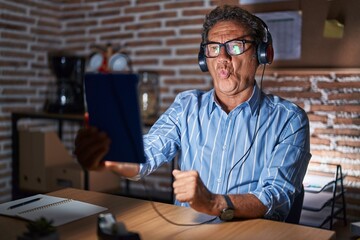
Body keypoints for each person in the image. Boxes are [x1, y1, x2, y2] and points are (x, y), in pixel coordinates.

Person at [74, 5, 311, 222]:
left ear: (261, 54)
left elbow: (276, 195)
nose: (222, 59)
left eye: (236, 46)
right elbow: (146, 153)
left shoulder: (289, 120)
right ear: (203, 58)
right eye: (213, 48)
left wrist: (215, 203)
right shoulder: (187, 106)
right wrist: (110, 156)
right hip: (190, 231)